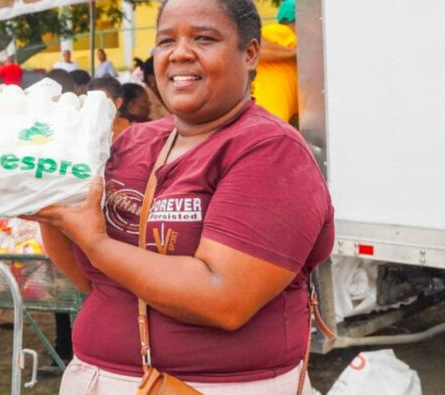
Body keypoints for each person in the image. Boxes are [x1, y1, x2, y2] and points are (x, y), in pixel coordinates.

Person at [33, 0, 334, 393]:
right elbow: (94, 281)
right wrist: (45, 203)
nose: (179, 53)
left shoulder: (270, 151)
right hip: (97, 379)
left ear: (250, 53)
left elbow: (222, 298)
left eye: (204, 38)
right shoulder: (135, 141)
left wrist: (95, 241)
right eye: (166, 41)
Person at [252, 0, 299, 124]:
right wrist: (294, 53)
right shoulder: (279, 31)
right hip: (268, 114)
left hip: (272, 117)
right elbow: (256, 48)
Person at [88, 77, 130, 143]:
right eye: (93, 101)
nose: (97, 105)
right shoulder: (86, 130)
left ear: (118, 103)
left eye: (102, 101)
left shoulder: (128, 132)